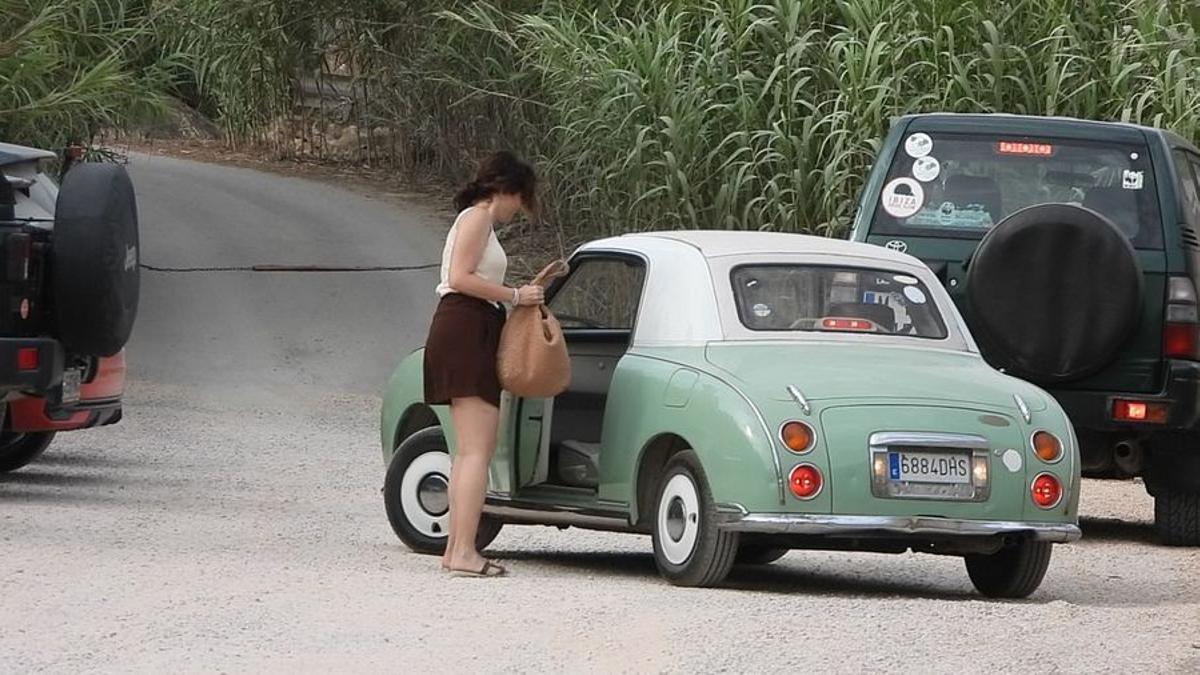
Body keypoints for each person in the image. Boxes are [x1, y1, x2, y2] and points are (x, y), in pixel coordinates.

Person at [423, 150, 543, 578]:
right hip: (467, 325)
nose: (518, 209)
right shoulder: (476, 218)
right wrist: (514, 295)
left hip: (469, 326)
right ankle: (463, 552)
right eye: (519, 198)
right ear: (505, 190)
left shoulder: (478, 221)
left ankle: (457, 548)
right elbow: (459, 277)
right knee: (477, 452)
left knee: (467, 453)